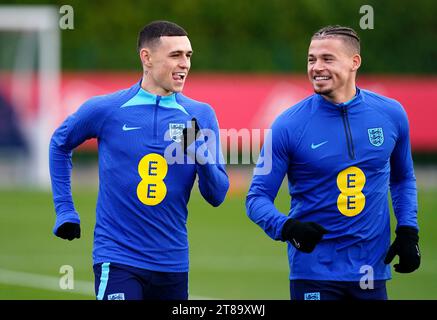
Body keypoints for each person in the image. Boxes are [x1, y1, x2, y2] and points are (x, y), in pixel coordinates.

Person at [49, 20, 229, 300]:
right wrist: (65, 210)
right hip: (118, 256)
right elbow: (59, 144)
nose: (185, 64)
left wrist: (201, 156)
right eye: (175, 55)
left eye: (188, 56)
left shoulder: (201, 115)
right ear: (146, 57)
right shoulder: (107, 109)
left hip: (173, 262)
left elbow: (217, 195)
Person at [246, 25, 420, 300]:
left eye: (327, 58)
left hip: (371, 270)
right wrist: (287, 227)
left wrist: (409, 230)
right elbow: (256, 198)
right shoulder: (288, 125)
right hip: (313, 272)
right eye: (311, 59)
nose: (316, 67)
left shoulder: (391, 114)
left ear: (355, 62)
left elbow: (402, 178)